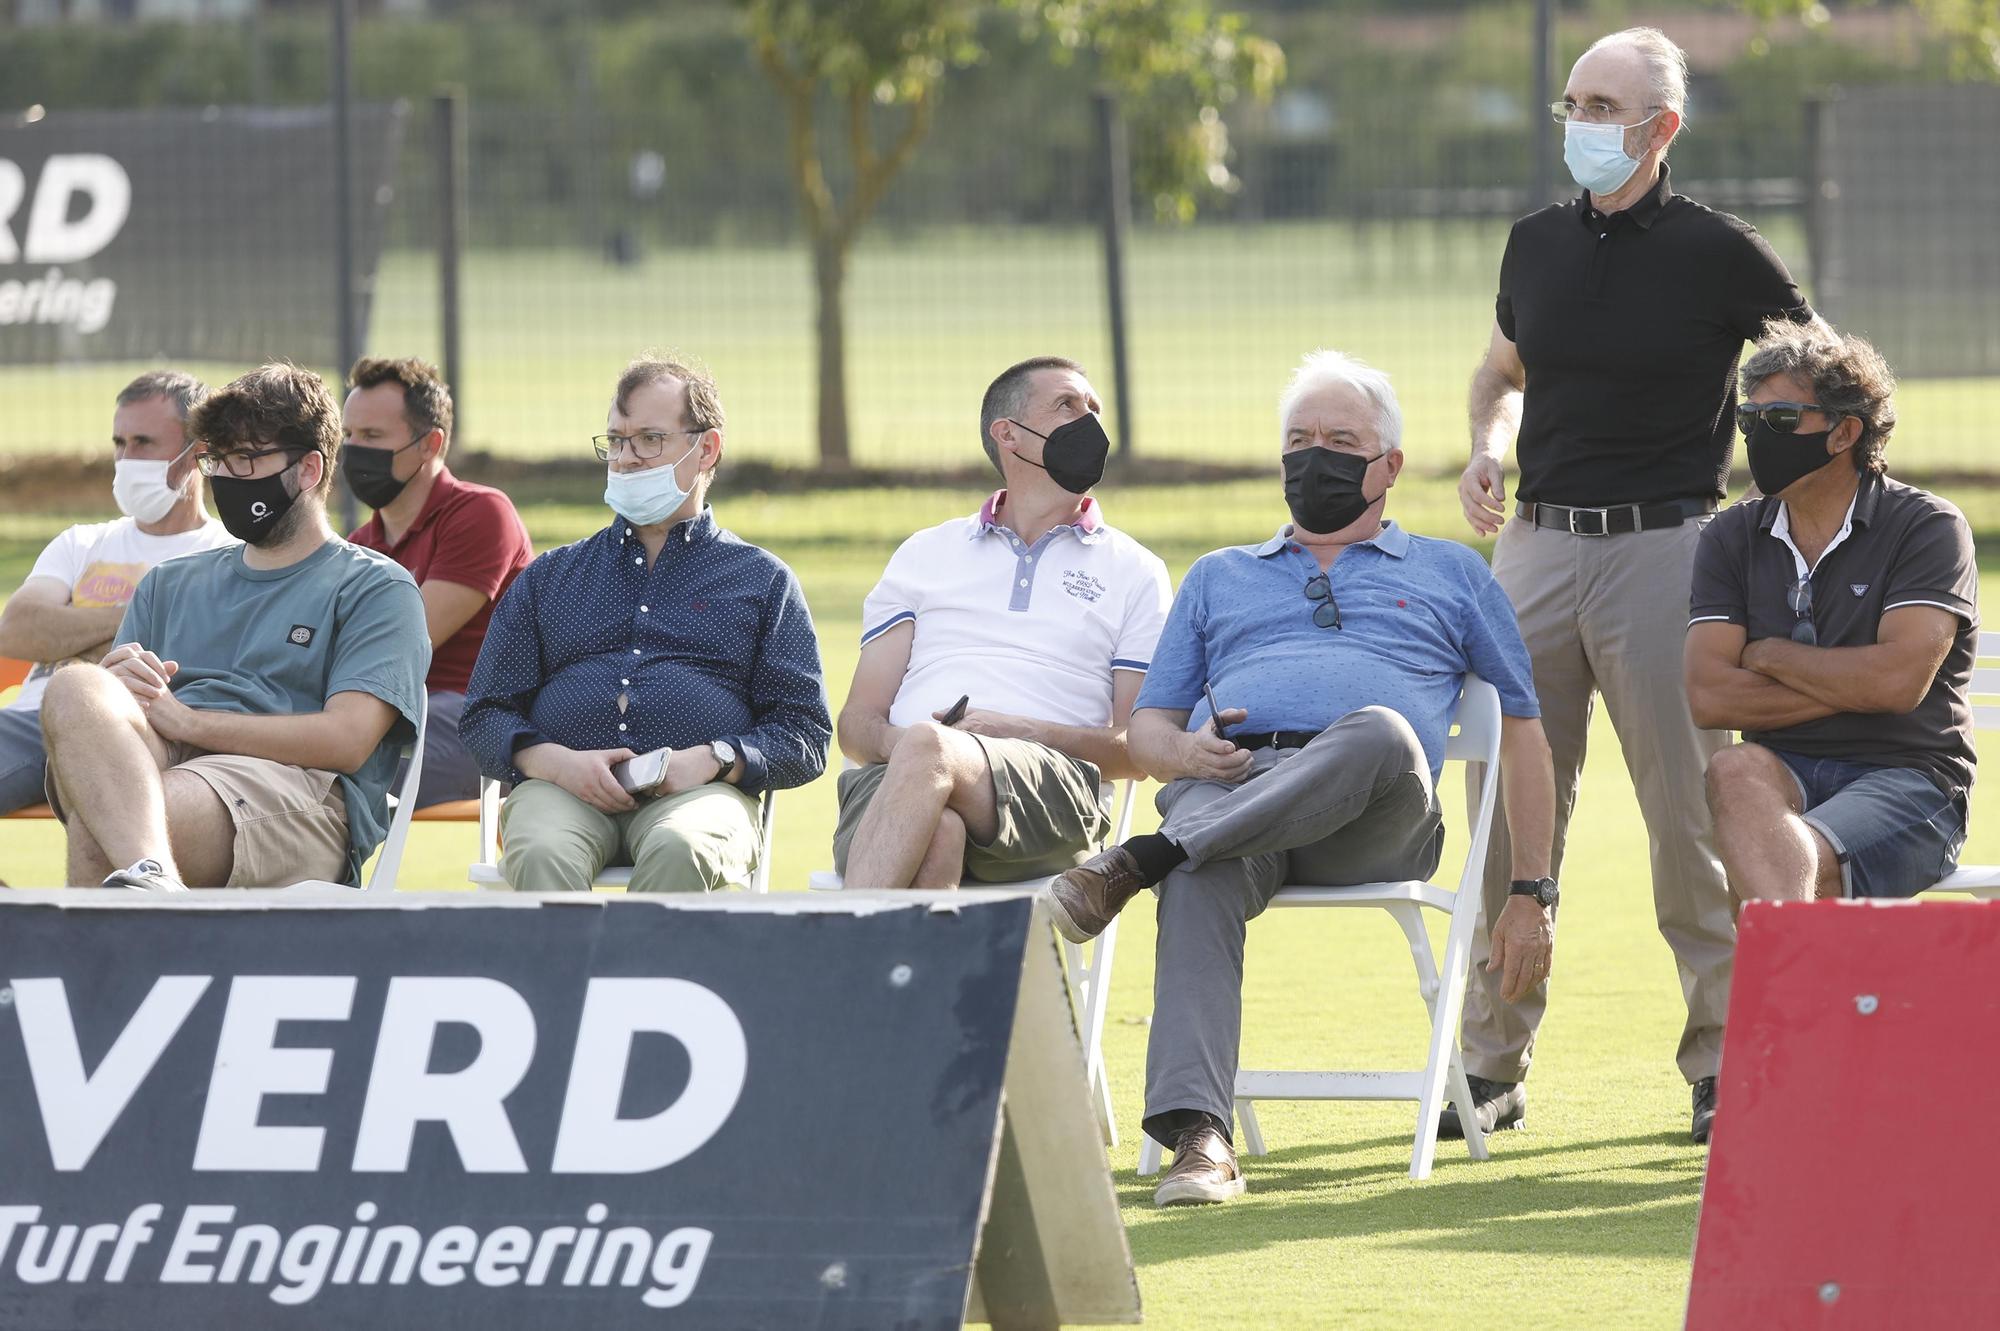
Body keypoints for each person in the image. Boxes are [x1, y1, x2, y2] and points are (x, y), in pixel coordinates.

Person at [1044, 350, 1556, 1207]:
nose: (1315, 455)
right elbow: (1150, 728)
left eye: (1341, 439)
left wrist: (1531, 889)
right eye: (1299, 439)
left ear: (1388, 466)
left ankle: (1145, 854)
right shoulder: (1218, 576)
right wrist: (1185, 757)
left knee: (1381, 732)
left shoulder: (1454, 572)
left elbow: (1527, 732)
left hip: (1376, 812)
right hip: (1238, 790)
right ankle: (1199, 1141)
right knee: (1202, 870)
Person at [1454, 26, 1817, 1145]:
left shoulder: (1720, 252)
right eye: (1572, 101)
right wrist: (1485, 440)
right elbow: (1500, 367)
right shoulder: (1532, 245)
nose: (1580, 122)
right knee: (1500, 814)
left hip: (1671, 550)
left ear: (1660, 128)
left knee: (1688, 811)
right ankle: (1486, 1059)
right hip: (1535, 547)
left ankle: (1718, 1061)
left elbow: (1822, 368)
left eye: (1604, 106)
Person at [37, 363, 430, 890]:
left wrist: (192, 724)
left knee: (108, 817)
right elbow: (122, 727)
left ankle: (118, 933)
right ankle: (152, 883)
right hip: (169, 761)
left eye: (244, 459)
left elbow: (346, 740)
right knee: (76, 686)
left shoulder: (376, 588)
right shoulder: (168, 583)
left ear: (309, 469)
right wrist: (118, 692)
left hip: (295, 787)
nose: (223, 476)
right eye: (214, 459)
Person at [460, 356, 829, 892]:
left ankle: (644, 978)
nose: (626, 459)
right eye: (616, 440)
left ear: (706, 448)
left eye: (649, 439)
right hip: (559, 791)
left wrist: (715, 759)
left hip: (700, 798)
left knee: (681, 848)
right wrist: (557, 764)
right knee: (541, 851)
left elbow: (805, 733)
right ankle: (557, 978)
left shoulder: (762, 582)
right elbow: (484, 715)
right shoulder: (550, 578)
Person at [833, 356, 1170, 889]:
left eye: (1094, 409)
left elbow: (1137, 748)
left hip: (1054, 792)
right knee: (939, 832)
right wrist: (922, 757)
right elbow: (856, 724)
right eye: (1067, 406)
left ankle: (830, 955)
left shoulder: (1137, 571)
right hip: (891, 780)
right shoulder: (924, 552)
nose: (1091, 424)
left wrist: (1010, 732)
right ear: (1008, 434)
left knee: (930, 752)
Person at [1688, 323, 1974, 915]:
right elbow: (1710, 696)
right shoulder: (1729, 536)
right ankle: (1802, 992)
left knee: (1779, 860)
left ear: (1845, 432)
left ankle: (1785, 994)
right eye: (1750, 419)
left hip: (1912, 777)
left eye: (1783, 420)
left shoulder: (1927, 528)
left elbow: (1897, 684)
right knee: (1733, 767)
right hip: (1781, 770)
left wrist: (1768, 656)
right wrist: (1860, 683)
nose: (1759, 436)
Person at [0, 371, 236, 814]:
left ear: (197, 453)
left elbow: (202, 656)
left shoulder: (227, 553)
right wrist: (140, 617)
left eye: (144, 443)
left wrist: (69, 637)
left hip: (126, 728)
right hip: (27, 719)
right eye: (119, 443)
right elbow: (16, 631)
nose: (127, 458)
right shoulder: (81, 542)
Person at [343, 357, 533, 808]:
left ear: (430, 444)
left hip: (477, 716)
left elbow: (405, 642)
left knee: (327, 777)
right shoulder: (358, 544)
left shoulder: (481, 513)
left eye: (371, 437)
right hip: (389, 713)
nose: (353, 450)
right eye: (347, 436)